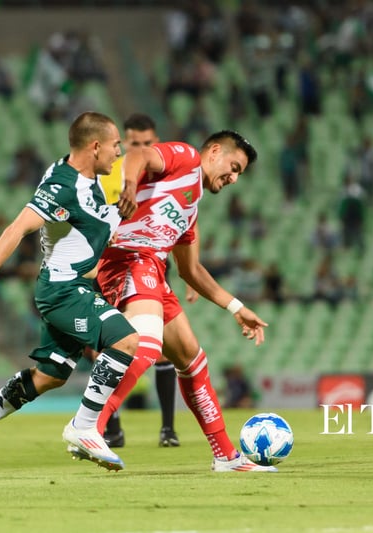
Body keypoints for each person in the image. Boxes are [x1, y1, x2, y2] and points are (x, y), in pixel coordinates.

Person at [0, 112, 139, 474]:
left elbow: (89, 224)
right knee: (126, 340)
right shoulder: (63, 186)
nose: (119, 153)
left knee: (50, 375)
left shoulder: (86, 178)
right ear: (95, 146)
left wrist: (119, 215)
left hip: (74, 287)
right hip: (65, 291)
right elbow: (18, 227)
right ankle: (84, 427)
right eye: (115, 146)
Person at [94, 129, 276, 472]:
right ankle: (91, 425)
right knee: (147, 346)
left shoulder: (190, 207)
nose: (234, 178)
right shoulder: (187, 157)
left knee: (191, 358)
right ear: (215, 151)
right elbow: (140, 154)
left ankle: (225, 455)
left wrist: (236, 308)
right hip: (127, 257)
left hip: (152, 267)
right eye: (234, 166)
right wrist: (129, 184)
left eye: (240, 174)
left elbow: (191, 270)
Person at [94, 113, 181, 448]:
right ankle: (111, 427)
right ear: (125, 142)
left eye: (148, 143)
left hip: (154, 263)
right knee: (106, 346)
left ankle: (168, 428)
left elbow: (181, 221)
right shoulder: (110, 174)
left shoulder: (165, 173)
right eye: (135, 143)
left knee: (163, 351)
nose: (142, 148)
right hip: (113, 263)